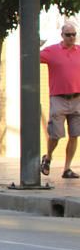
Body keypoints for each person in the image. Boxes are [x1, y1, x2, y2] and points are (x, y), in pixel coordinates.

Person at [40, 21, 80, 179]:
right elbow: (32, 58)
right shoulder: (52, 51)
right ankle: (48, 157)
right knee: (56, 134)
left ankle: (67, 168)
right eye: (68, 35)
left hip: (77, 98)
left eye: (74, 35)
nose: (71, 38)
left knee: (75, 134)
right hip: (58, 98)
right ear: (62, 35)